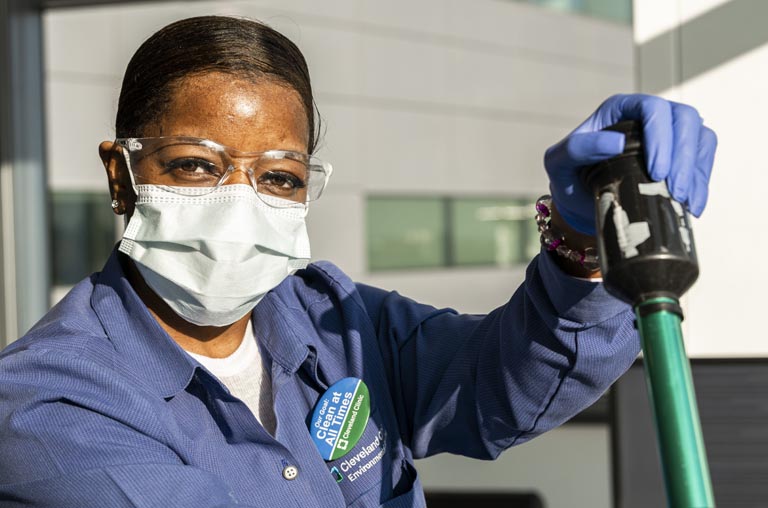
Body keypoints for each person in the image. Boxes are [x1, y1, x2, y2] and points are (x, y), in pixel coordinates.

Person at [0, 15, 716, 508]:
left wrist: (582, 240)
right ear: (121, 174)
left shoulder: (328, 317)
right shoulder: (47, 405)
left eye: (280, 176)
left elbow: (502, 387)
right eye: (195, 166)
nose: (241, 204)